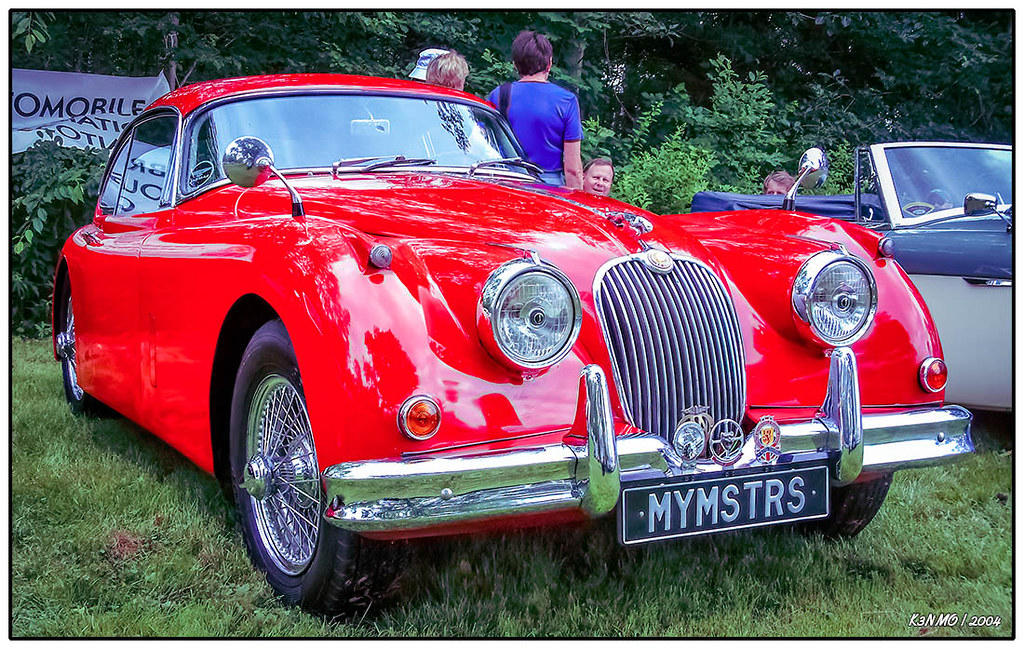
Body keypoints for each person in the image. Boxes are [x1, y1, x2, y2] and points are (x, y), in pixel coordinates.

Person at [487, 31, 583, 189]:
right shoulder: (566, 101)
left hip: (507, 182)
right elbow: (573, 169)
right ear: (549, 63)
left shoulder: (498, 95)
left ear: (515, 64)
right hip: (549, 187)